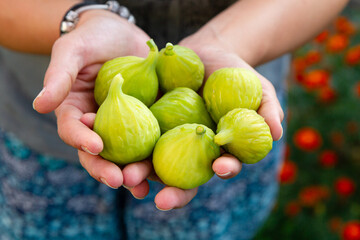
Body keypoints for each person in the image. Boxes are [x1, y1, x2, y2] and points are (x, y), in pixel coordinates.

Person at [0, 0, 349, 239]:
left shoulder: (214, 127)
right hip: (38, 132)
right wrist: (81, 17)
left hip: (221, 128)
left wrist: (226, 41)